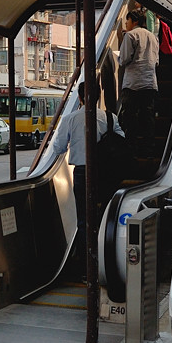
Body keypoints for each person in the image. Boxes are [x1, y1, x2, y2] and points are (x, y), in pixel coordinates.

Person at [49, 81, 124, 273]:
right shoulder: (109, 118)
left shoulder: (70, 119)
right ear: (98, 96)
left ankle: (86, 268)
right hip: (106, 174)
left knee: (84, 220)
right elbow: (121, 140)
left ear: (81, 97)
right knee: (106, 217)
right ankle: (107, 263)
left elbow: (58, 148)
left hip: (82, 173)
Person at [117, 8, 160, 157]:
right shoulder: (153, 37)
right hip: (149, 83)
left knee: (130, 118)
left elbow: (124, 59)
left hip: (133, 84)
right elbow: (156, 61)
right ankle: (149, 149)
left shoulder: (130, 35)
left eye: (127, 21)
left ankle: (131, 150)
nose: (126, 24)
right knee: (148, 117)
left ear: (134, 21)